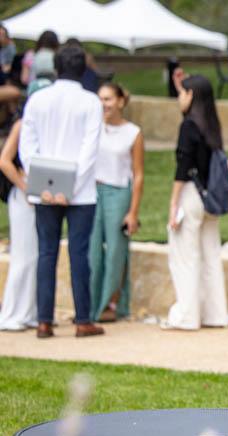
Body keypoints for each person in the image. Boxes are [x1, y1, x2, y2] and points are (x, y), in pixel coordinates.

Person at [19, 44, 103, 338]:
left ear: (55, 69)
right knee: (79, 255)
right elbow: (89, 150)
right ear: (83, 70)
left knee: (47, 254)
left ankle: (44, 321)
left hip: (43, 192)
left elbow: (27, 147)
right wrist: (69, 187)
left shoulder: (37, 99)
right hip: (80, 195)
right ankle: (82, 320)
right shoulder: (91, 102)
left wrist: (42, 184)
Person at [165, 74, 228, 331]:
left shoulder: (189, 127)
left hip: (191, 195)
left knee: (184, 255)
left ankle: (186, 315)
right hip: (210, 198)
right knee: (210, 254)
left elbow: (183, 167)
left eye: (183, 93)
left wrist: (173, 204)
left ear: (191, 96)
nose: (180, 97)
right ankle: (215, 314)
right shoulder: (212, 126)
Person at [89, 82, 144, 323]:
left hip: (119, 193)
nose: (104, 104)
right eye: (100, 99)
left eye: (108, 99)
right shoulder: (91, 128)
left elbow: (138, 174)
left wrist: (133, 211)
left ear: (121, 102)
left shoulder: (133, 132)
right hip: (91, 193)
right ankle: (90, 306)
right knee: (91, 253)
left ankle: (109, 304)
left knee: (115, 252)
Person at [0, 119, 37, 331]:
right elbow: (4, 161)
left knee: (35, 256)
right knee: (22, 255)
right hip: (23, 196)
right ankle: (11, 313)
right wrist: (25, 187)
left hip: (41, 195)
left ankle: (29, 311)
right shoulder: (22, 124)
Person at [21, 30, 57, 95]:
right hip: (53, 91)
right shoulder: (57, 56)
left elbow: (24, 79)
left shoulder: (31, 55)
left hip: (33, 91)